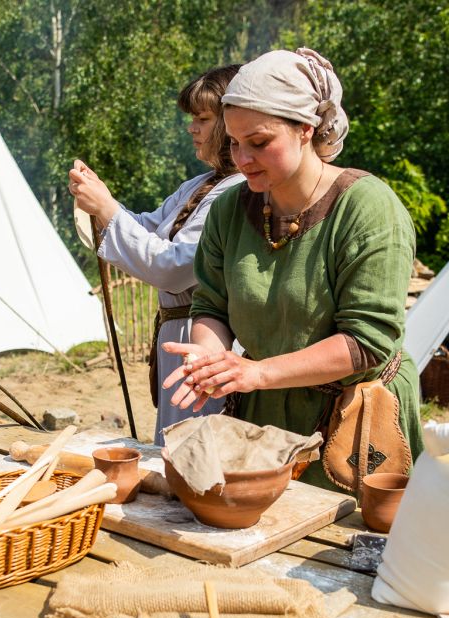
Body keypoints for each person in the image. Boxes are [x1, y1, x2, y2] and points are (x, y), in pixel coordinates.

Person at [162, 49, 423, 492]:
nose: (242, 159)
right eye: (233, 142)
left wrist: (257, 373)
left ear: (306, 129)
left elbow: (367, 342)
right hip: (263, 410)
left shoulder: (368, 208)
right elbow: (212, 304)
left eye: (259, 143)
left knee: (339, 551)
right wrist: (210, 355)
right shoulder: (231, 209)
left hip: (355, 419)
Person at [69, 65, 245, 444]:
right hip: (177, 332)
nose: (191, 128)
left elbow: (177, 267)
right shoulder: (201, 184)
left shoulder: (239, 191)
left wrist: (108, 209)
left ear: (232, 122)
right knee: (174, 441)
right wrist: (103, 201)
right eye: (191, 118)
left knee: (195, 444)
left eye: (202, 118)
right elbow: (147, 227)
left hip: (207, 338)